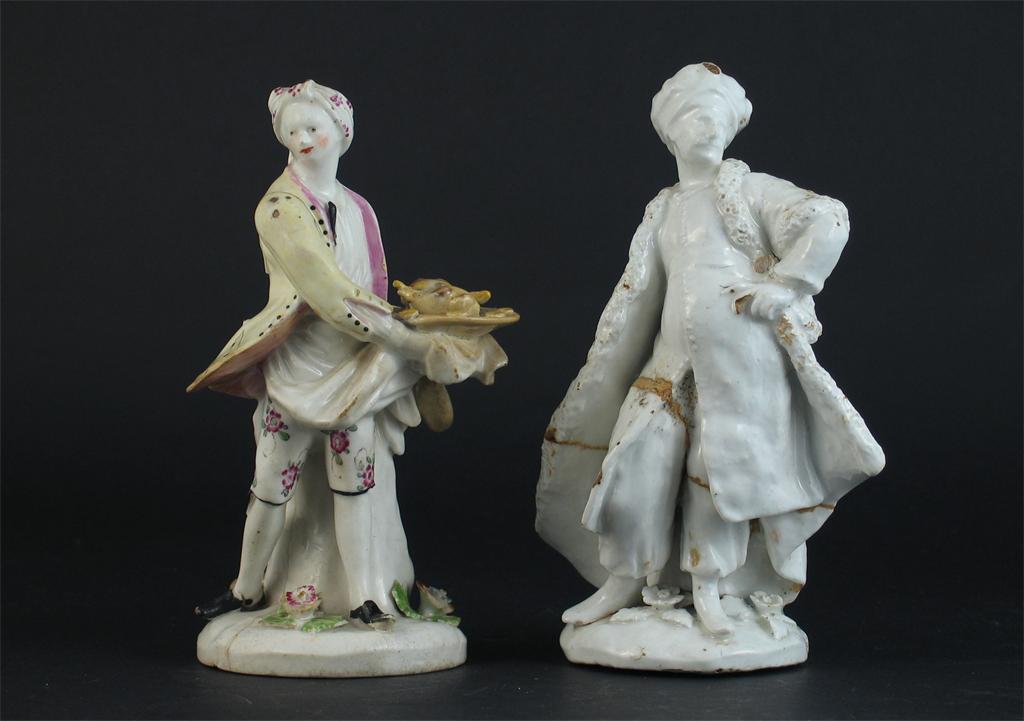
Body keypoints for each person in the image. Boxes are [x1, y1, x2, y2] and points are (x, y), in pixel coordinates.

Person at [536, 63, 884, 635]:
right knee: (634, 461)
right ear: (670, 132)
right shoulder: (665, 207)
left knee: (718, 477)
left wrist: (788, 284)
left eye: (718, 119)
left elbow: (828, 216)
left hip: (743, 360)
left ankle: (709, 588)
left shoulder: (749, 189)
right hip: (670, 359)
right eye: (696, 117)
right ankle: (623, 581)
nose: (708, 129)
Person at [190, 80, 505, 626]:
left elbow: (373, 285)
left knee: (355, 481)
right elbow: (331, 295)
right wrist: (407, 341)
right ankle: (246, 587)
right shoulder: (279, 209)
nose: (303, 139)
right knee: (271, 485)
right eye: (292, 131)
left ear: (342, 133)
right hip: (299, 365)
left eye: (314, 127)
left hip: (357, 368)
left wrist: (414, 330)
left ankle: (365, 594)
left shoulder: (359, 208)